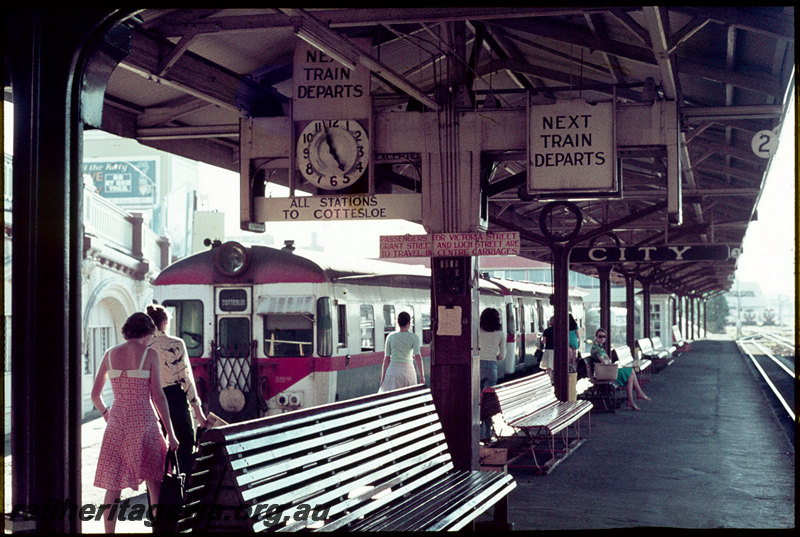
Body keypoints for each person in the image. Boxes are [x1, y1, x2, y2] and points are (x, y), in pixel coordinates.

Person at [92, 312, 179, 533]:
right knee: (154, 480)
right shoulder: (149, 354)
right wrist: (171, 433)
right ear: (148, 332)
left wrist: (106, 414)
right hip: (144, 422)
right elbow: (158, 396)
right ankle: (157, 530)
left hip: (117, 423)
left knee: (113, 486)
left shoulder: (110, 354)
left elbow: (95, 394)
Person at [147, 304, 207, 477]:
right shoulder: (175, 344)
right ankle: (184, 488)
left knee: (160, 446)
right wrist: (199, 413)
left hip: (151, 399)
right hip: (175, 398)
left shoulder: (143, 346)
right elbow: (185, 378)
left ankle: (164, 488)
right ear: (165, 322)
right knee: (185, 442)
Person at [589, 328, 651, 411]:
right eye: (600, 336)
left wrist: (608, 361)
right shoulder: (596, 348)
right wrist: (608, 361)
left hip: (606, 370)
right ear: (596, 337)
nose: (602, 338)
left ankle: (632, 400)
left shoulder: (600, 347)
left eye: (604, 336)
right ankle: (637, 395)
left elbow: (608, 360)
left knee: (630, 374)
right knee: (631, 372)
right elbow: (604, 361)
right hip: (604, 372)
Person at [378, 311, 425, 392]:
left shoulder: (390, 337)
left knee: (391, 399)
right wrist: (422, 375)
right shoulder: (414, 337)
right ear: (409, 323)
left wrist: (383, 378)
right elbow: (417, 356)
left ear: (397, 322)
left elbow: (387, 358)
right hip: (408, 371)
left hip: (393, 371)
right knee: (409, 398)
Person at [478, 307, 504, 442]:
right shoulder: (500, 334)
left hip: (477, 367)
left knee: (477, 401)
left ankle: (477, 431)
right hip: (491, 367)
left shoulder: (477, 331)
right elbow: (502, 356)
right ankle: (486, 433)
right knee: (487, 402)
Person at [539, 316, 555, 381]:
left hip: (549, 350)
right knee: (555, 365)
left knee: (549, 366)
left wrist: (541, 338)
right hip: (557, 350)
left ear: (550, 323)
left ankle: (550, 379)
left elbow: (544, 341)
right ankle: (555, 379)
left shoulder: (547, 331)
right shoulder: (560, 330)